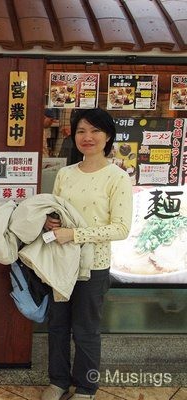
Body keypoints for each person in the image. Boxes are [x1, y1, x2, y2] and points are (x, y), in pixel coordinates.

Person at [41, 108, 132, 400]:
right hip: (60, 263)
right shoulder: (65, 174)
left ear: (108, 136)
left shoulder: (117, 177)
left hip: (94, 266)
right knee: (57, 327)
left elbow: (121, 228)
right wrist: (50, 222)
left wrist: (76, 235)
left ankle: (86, 386)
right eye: (81, 131)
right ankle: (57, 381)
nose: (87, 137)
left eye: (95, 131)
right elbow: (58, 212)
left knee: (86, 331)